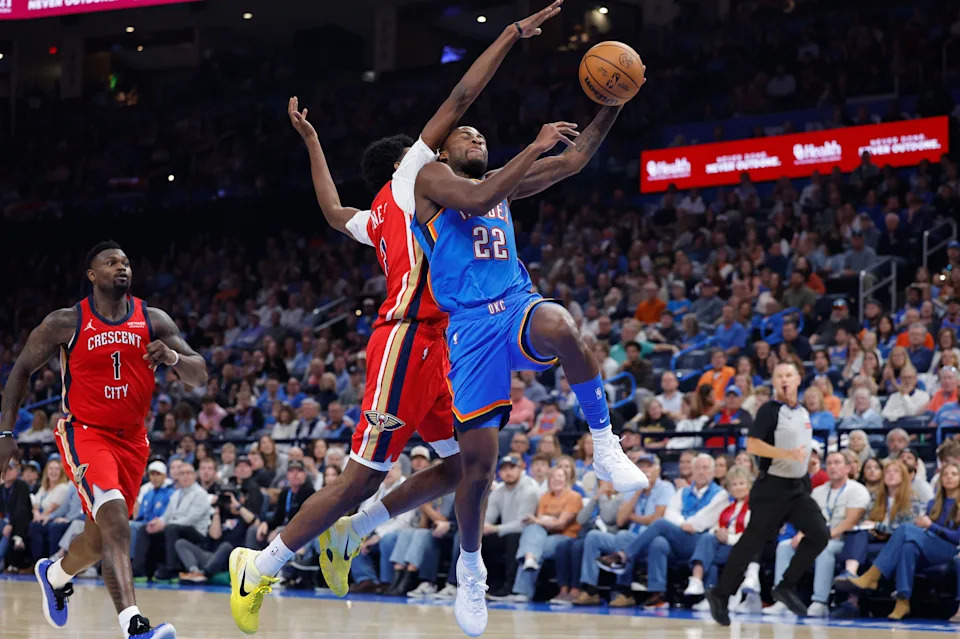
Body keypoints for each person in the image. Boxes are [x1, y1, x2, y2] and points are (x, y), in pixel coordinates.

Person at [229, 7, 567, 636]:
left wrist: (310, 141)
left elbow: (332, 211)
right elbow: (463, 91)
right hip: (408, 340)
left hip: (448, 342)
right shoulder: (418, 174)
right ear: (409, 161)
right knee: (361, 477)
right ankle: (263, 561)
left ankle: (351, 537)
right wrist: (511, 35)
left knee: (465, 467)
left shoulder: (374, 217)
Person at [409, 31, 648, 639]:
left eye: (483, 135)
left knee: (563, 322)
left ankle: (604, 441)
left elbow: (573, 162)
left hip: (515, 305)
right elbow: (482, 191)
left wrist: (611, 104)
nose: (477, 136)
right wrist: (532, 144)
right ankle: (470, 567)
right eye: (468, 133)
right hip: (467, 330)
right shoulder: (432, 183)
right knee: (477, 467)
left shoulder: (503, 184)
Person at [0, 241, 207, 639]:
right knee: (116, 523)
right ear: (91, 275)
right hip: (85, 433)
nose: (122, 267)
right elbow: (21, 370)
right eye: (111, 262)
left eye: (126, 262)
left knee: (98, 541)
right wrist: (6, 432)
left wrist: (174, 359)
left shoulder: (155, 319)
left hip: (133, 441)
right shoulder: (66, 322)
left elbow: (201, 376)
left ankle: (55, 574)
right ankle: (135, 626)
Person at [704, 361, 828, 626]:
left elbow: (800, 448)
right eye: (779, 376)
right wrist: (786, 455)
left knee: (820, 534)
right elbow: (752, 445)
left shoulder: (803, 412)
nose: (784, 379)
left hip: (797, 487)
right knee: (752, 544)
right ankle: (720, 594)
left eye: (789, 375)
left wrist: (805, 463)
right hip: (771, 488)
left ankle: (785, 586)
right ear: (774, 382)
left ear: (798, 379)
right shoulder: (769, 411)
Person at [595, 454, 729, 609]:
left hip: (700, 542)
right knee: (659, 542)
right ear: (692, 471)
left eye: (705, 468)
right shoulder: (683, 492)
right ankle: (658, 595)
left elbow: (704, 520)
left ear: (713, 472)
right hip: (680, 537)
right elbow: (670, 513)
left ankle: (623, 556)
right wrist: (683, 524)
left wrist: (686, 523)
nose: (701, 472)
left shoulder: (720, 494)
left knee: (660, 525)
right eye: (698, 468)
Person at [835, 462, 960, 620]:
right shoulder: (933, 504)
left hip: (951, 549)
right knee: (908, 546)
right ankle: (902, 601)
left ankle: (872, 576)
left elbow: (957, 538)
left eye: (954, 474)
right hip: (930, 546)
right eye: (945, 474)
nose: (949, 477)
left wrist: (932, 526)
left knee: (905, 529)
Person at [765, 451, 870, 617]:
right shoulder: (818, 491)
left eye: (837, 463)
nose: (832, 467)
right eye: (829, 463)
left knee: (824, 548)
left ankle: (820, 601)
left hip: (844, 540)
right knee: (785, 546)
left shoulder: (858, 490)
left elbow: (851, 521)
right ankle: (783, 600)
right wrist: (801, 534)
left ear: (848, 468)